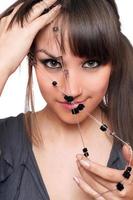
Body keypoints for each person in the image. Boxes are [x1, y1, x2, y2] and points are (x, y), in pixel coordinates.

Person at [0, 0, 133, 199]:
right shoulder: (6, 143)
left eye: (91, 63)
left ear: (114, 61)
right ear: (30, 58)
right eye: (52, 62)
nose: (71, 90)